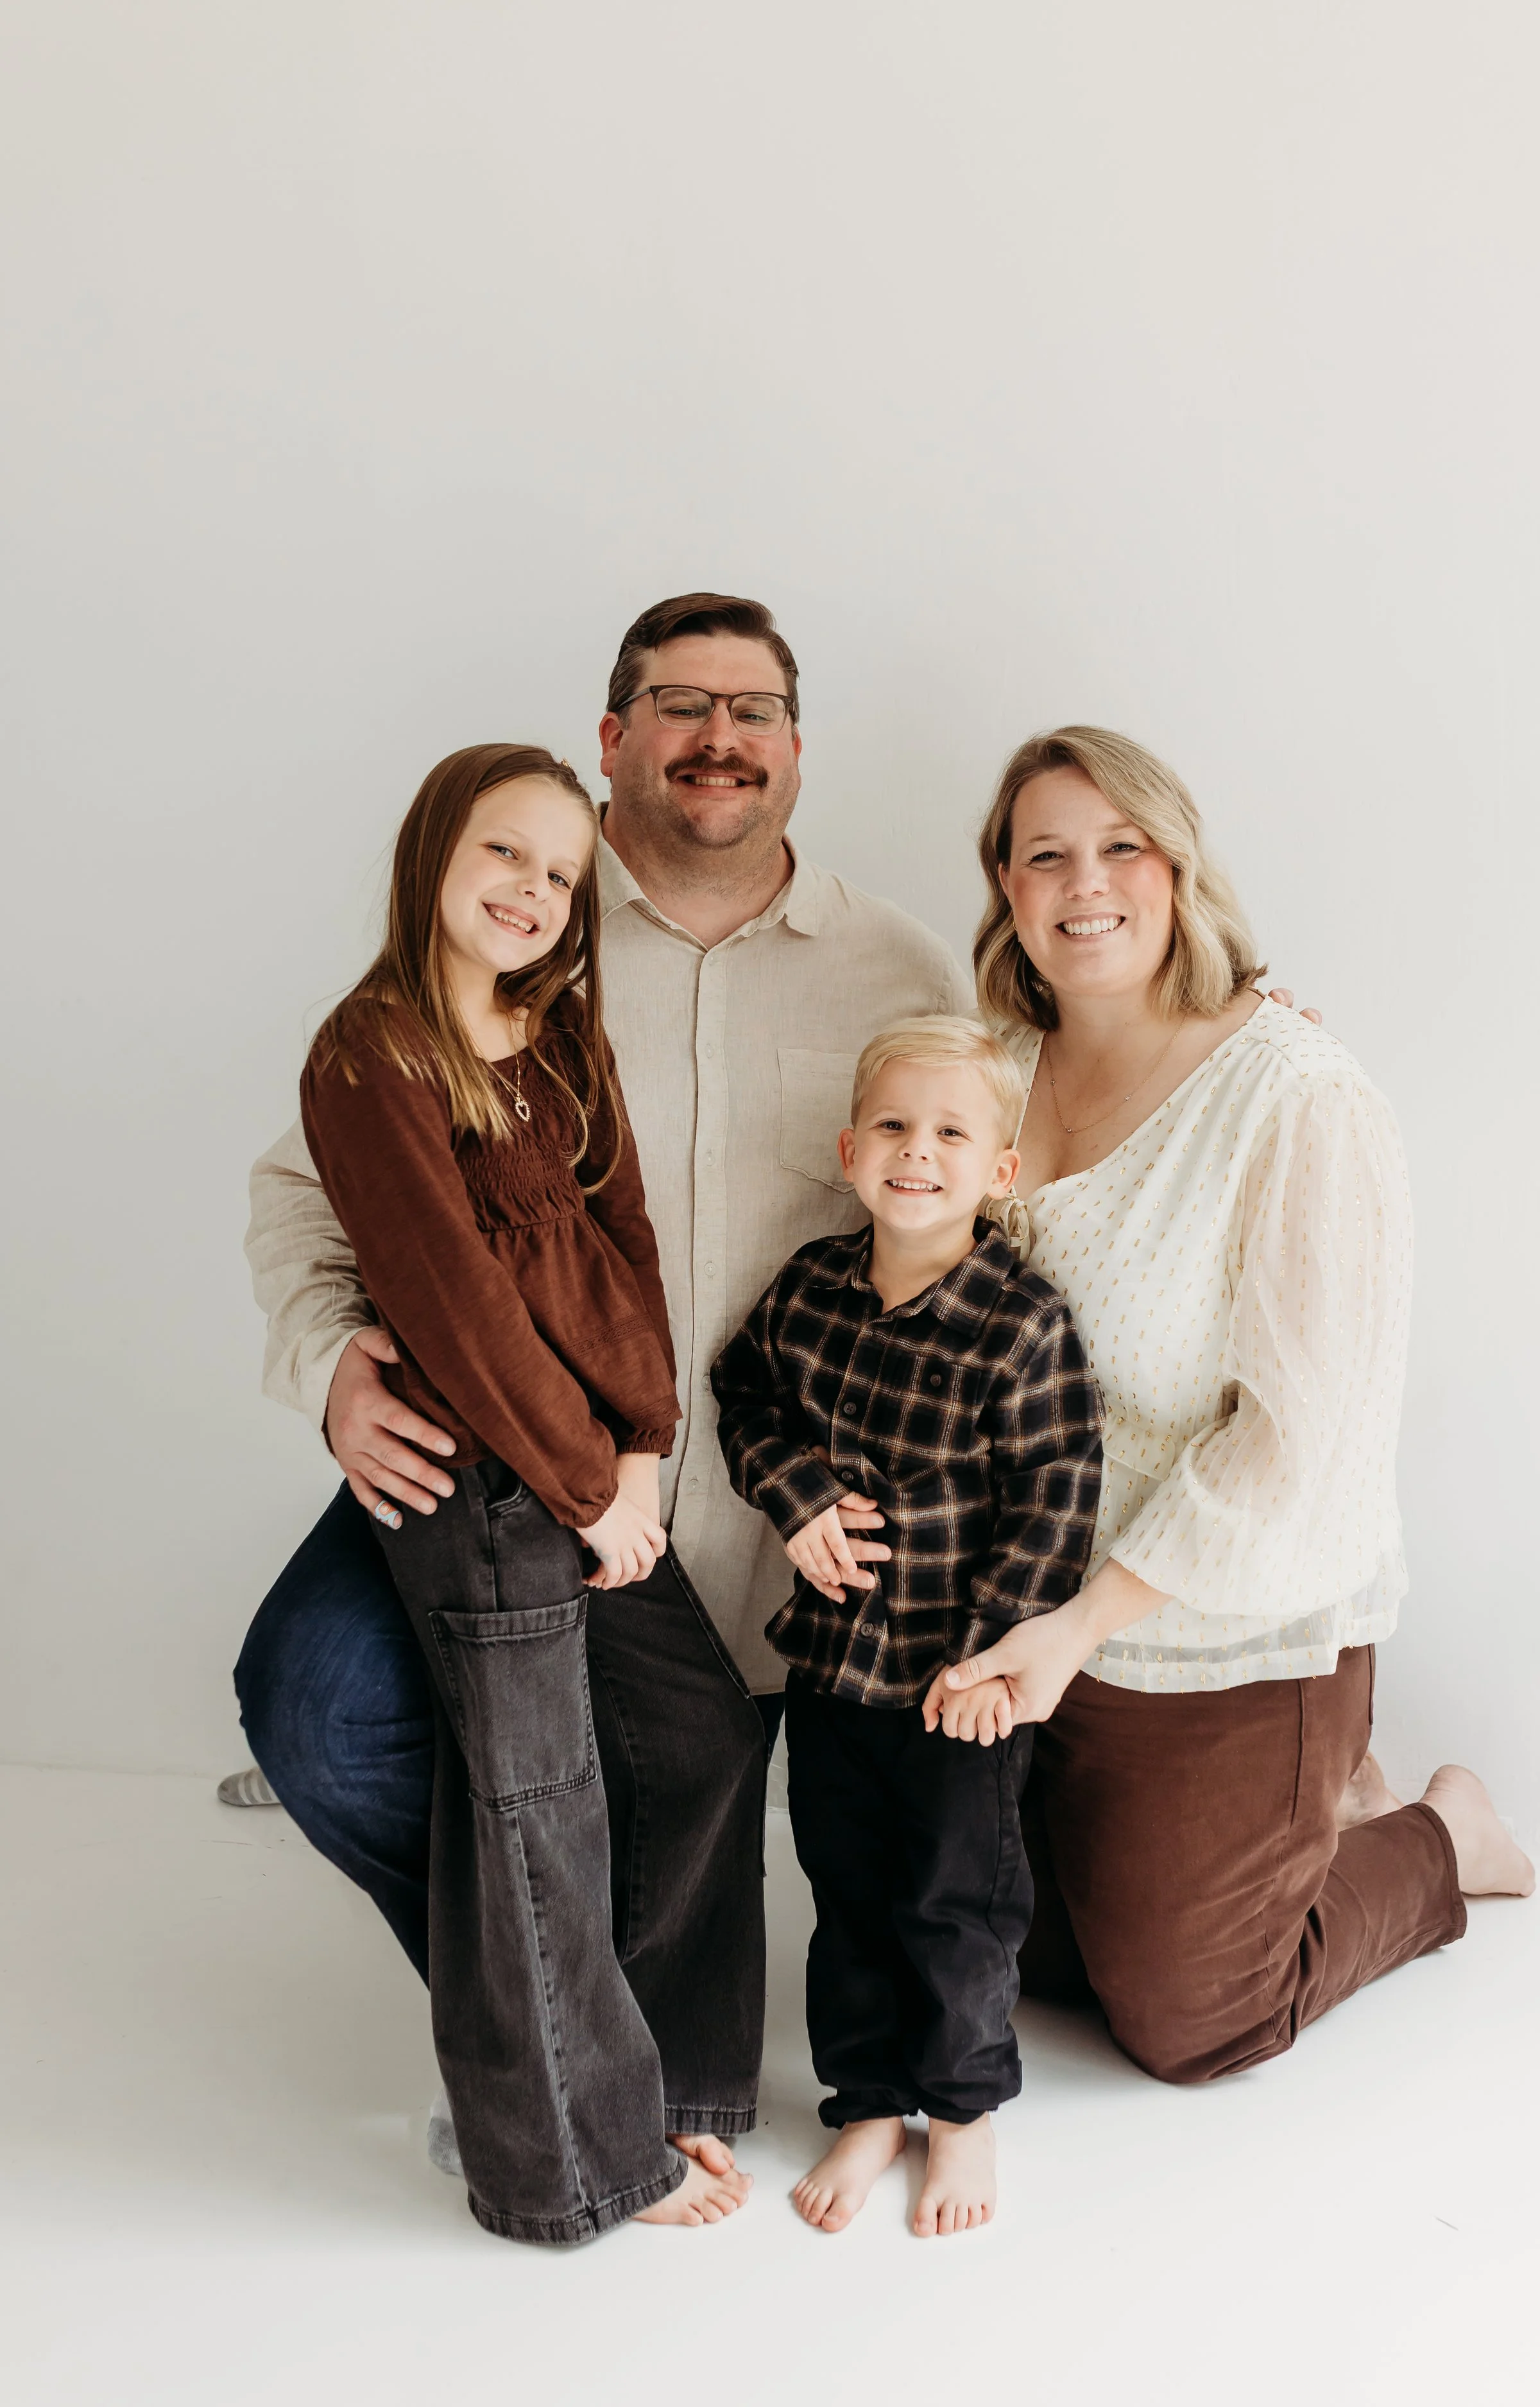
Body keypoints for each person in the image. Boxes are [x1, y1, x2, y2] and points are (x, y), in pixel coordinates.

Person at [233, 595, 964, 2155]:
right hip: (497, 1464)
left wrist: (1230, 1015)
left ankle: (593, 2035)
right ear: (613, 738)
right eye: (678, 704)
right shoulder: (511, 941)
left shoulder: (894, 961)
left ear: (792, 746)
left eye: (753, 709)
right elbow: (309, 1193)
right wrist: (329, 1369)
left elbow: (1012, 1151)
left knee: (749, 1787)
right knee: (316, 1707)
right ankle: (538, 2003)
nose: (719, 738)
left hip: (770, 1510)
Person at [921, 727, 1534, 2087]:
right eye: (1045, 856)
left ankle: (1435, 1835)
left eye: (1120, 847)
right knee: (1002, 1965)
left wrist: (1080, 1627)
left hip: (1209, 1620)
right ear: (1005, 892)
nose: (1086, 885)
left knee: (1191, 2021)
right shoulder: (987, 1076)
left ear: (1178, 868)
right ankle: (1297, 1821)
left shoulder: (1294, 1098)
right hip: (1028, 1604)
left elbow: (1300, 1446)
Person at [295, 739, 766, 2241]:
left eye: (560, 875)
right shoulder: (372, 1056)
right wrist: (583, 1490)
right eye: (505, 853)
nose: (530, 892)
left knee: (693, 1731)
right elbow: (455, 1314)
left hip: (590, 1472)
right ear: (435, 847)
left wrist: (641, 1451)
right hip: (485, 1486)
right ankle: (577, 2167)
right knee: (534, 1810)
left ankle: (669, 2081)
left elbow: (626, 1243)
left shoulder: (557, 1039)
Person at [712, 1016, 1101, 2236]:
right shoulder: (811, 1289)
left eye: (949, 1130)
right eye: (891, 1124)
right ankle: (871, 2095)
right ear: (847, 1148)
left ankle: (964, 2111)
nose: (915, 1150)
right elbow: (741, 1396)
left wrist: (995, 1657)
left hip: (958, 1688)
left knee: (955, 1903)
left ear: (1001, 1169)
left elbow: (1056, 1497)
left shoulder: (1022, 1324)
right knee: (848, 1888)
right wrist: (797, 1496)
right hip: (832, 1672)